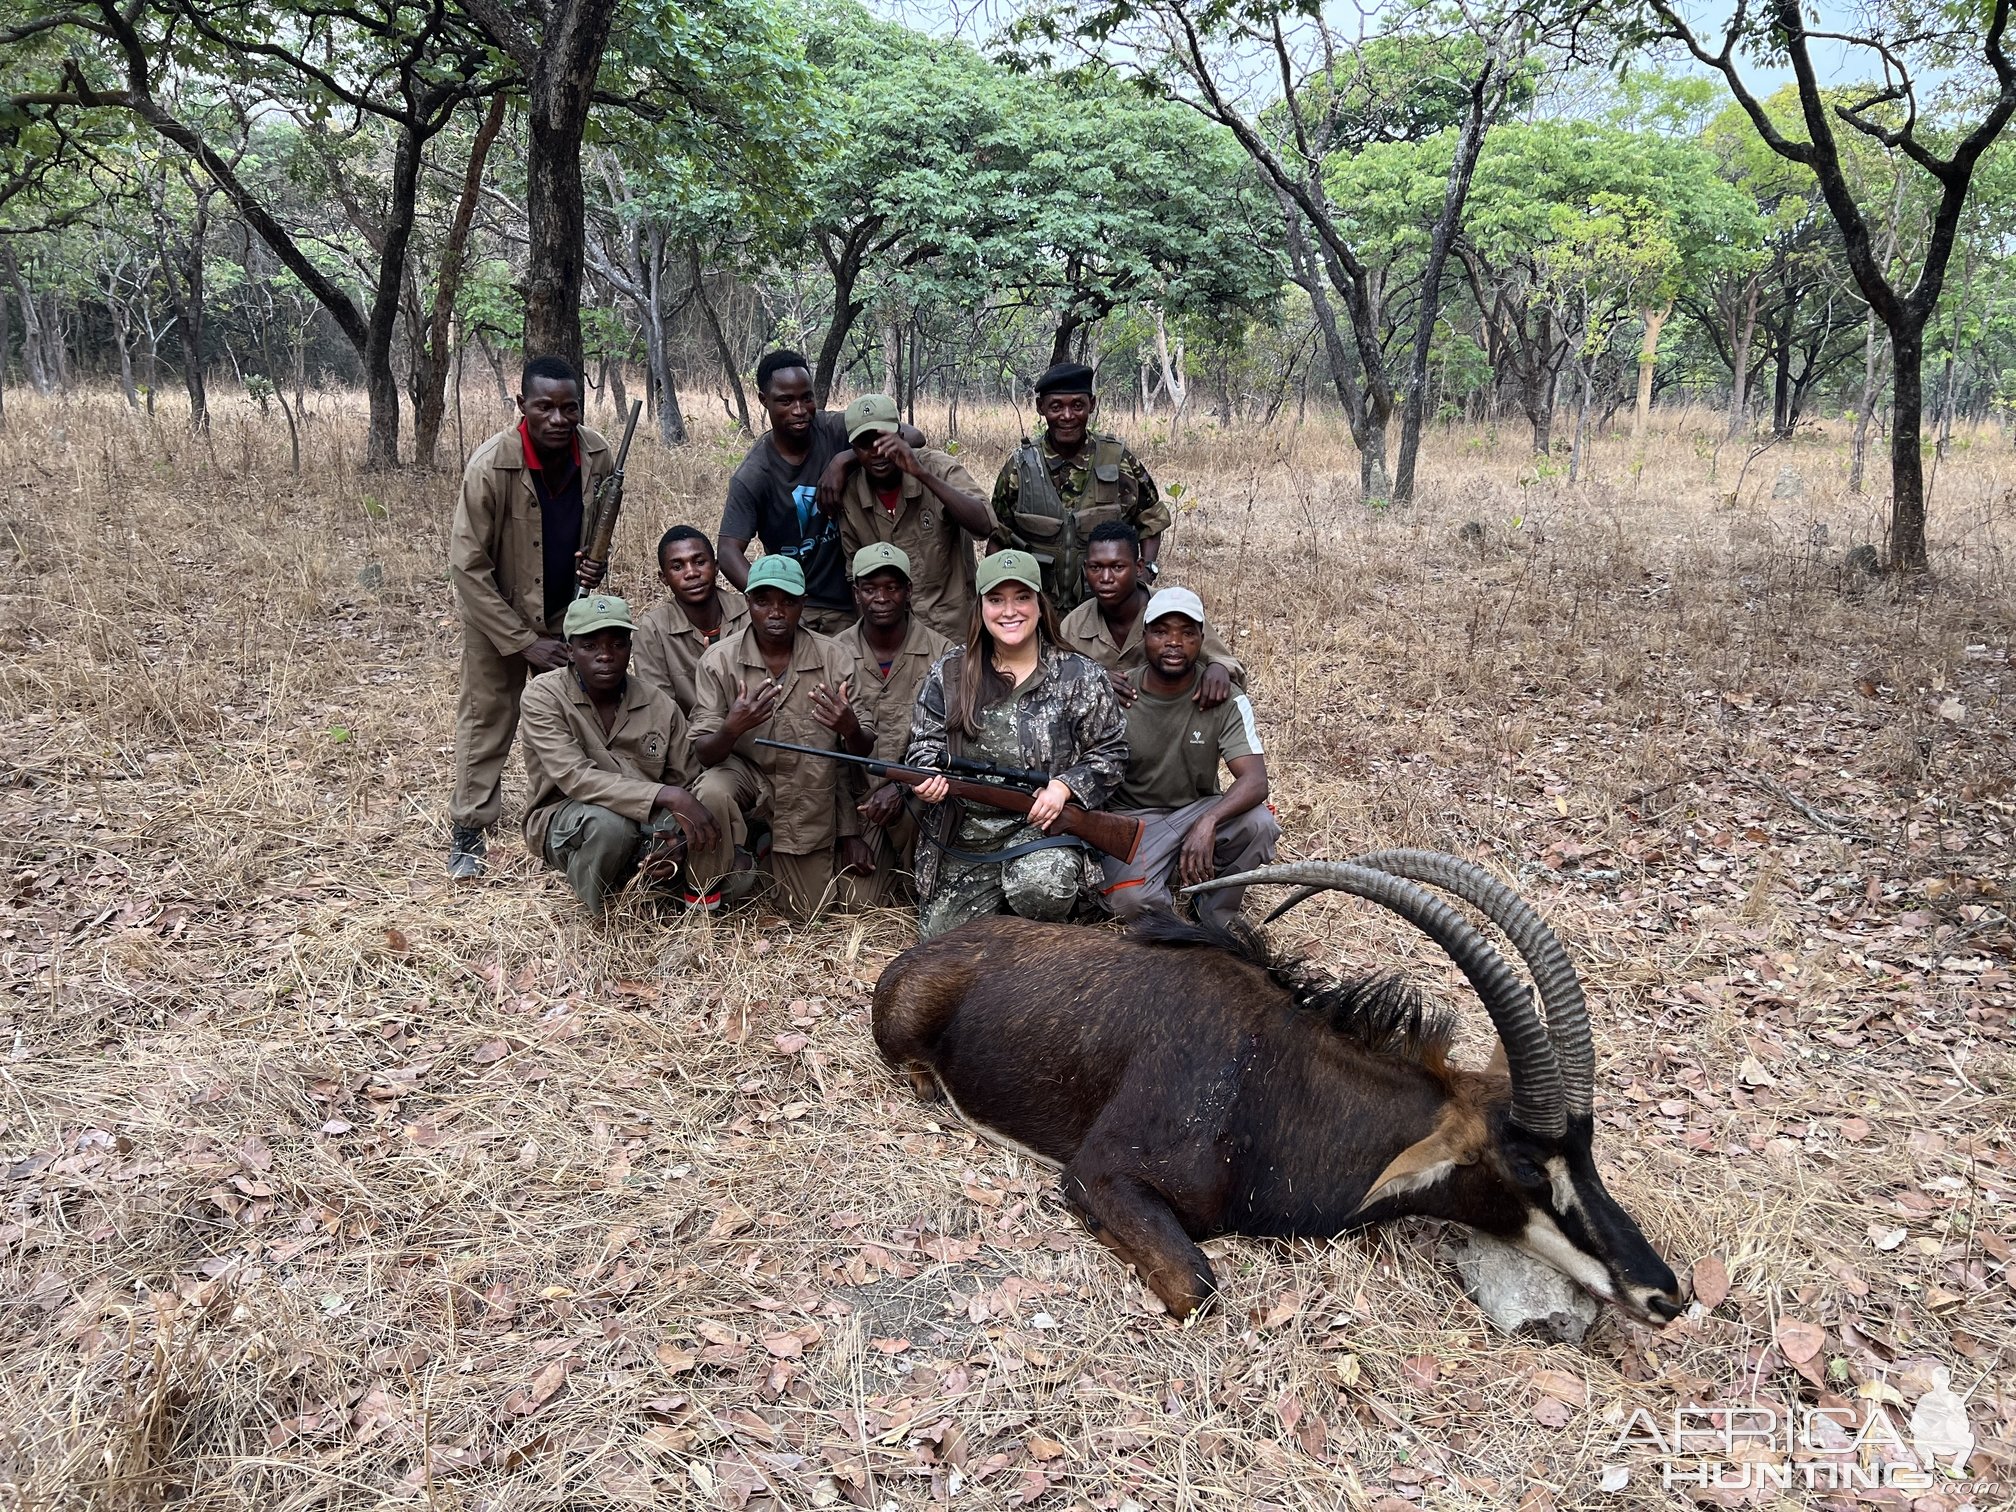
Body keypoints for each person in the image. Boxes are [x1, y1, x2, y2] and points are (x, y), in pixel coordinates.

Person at [447, 355, 615, 878]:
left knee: (571, 712)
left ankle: (559, 817)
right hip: (497, 612)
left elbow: (598, 529)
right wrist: (522, 642)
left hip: (568, 609)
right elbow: (467, 567)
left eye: (570, 407)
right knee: (488, 716)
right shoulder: (491, 465)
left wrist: (596, 558)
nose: (559, 419)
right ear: (522, 405)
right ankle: (470, 830)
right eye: (545, 407)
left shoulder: (598, 454)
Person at [906, 550, 1129, 940]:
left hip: (1044, 828)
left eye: (1021, 597)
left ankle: (1038, 944)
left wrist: (1064, 787)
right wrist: (928, 774)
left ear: (1040, 606)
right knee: (942, 942)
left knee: (1040, 888)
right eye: (996, 600)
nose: (1009, 611)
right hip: (969, 835)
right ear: (981, 608)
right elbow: (923, 743)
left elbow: (1111, 750)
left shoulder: (1078, 675)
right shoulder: (951, 672)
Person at [689, 555, 876, 918]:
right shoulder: (719, 660)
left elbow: (864, 747)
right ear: (748, 603)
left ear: (803, 604)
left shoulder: (834, 658)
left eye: (787, 602)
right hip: (747, 778)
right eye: (763, 601)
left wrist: (849, 727)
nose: (775, 612)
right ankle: (704, 895)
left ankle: (758, 848)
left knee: (808, 912)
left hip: (808, 791)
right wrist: (732, 727)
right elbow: (705, 754)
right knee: (712, 790)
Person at [518, 594, 722, 915]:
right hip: (564, 814)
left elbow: (687, 781)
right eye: (589, 646)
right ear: (570, 651)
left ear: (630, 647)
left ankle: (647, 882)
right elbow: (576, 778)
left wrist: (678, 836)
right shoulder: (544, 696)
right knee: (610, 826)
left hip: (646, 815)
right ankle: (601, 910)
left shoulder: (659, 704)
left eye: (617, 644)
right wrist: (668, 796)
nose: (605, 656)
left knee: (719, 858)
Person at [1097, 588, 1278, 925]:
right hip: (1134, 819)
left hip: (1197, 808)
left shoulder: (1224, 697)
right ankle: (1166, 887)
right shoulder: (1115, 693)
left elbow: (1255, 780)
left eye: (1187, 633)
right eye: (1162, 632)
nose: (1174, 643)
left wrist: (1207, 822)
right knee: (1131, 902)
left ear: (1201, 639)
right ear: (1144, 636)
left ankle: (1214, 909)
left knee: (1259, 822)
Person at [717, 350, 923, 636]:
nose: (800, 410)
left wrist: (844, 459)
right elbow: (727, 551)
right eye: (785, 401)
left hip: (859, 598)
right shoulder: (754, 475)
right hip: (801, 605)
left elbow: (912, 436)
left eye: (807, 397)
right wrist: (774, 597)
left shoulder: (832, 429)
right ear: (764, 400)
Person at [988, 361, 1170, 615]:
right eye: (1056, 406)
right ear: (1041, 407)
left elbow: (1151, 521)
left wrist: (1147, 572)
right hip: (1035, 610)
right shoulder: (1020, 468)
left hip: (1103, 611)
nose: (1067, 416)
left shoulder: (1118, 462)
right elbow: (999, 536)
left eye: (1077, 405)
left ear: (1091, 405)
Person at [830, 393, 990, 639]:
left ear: (901, 436)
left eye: (884, 440)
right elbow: (856, 577)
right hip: (894, 637)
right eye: (865, 445)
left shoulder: (938, 467)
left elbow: (984, 525)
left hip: (954, 629)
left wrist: (922, 474)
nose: (877, 452)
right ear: (853, 451)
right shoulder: (851, 494)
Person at [842, 543, 951, 900]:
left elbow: (957, 740)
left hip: (919, 796)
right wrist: (847, 832)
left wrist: (904, 785)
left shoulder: (944, 653)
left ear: (908, 592)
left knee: (925, 891)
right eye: (870, 588)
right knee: (857, 904)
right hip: (860, 803)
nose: (881, 597)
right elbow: (817, 752)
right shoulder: (832, 653)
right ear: (856, 593)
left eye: (892, 587)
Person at [1058, 521, 1244, 709]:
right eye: (1096, 568)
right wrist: (1094, 677)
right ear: (1085, 568)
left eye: (1117, 567)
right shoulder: (1074, 625)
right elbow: (1055, 679)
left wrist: (1219, 669)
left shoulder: (1172, 609)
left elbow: (1226, 662)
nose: (1105, 578)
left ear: (1139, 567)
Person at [632, 526, 749, 714]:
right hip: (692, 737)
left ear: (716, 566)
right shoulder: (653, 629)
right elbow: (660, 708)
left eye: (700, 562)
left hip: (756, 730)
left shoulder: (749, 613)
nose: (691, 573)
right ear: (664, 578)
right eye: (677, 567)